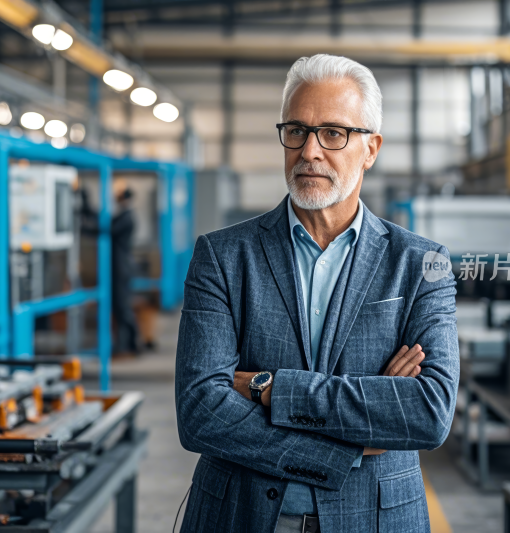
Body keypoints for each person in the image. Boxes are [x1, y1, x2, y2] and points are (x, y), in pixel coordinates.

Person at [175, 54, 459, 533]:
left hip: (374, 517)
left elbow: (428, 412)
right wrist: (347, 444)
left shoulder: (421, 264)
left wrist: (271, 389)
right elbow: (200, 411)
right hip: (242, 515)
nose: (309, 151)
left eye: (333, 133)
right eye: (297, 131)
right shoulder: (223, 256)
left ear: (371, 149)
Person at [111, 179, 140, 356]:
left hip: (121, 269)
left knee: (123, 308)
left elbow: (107, 228)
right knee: (120, 308)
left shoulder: (127, 217)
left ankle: (130, 344)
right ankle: (126, 344)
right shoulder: (123, 215)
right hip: (119, 268)